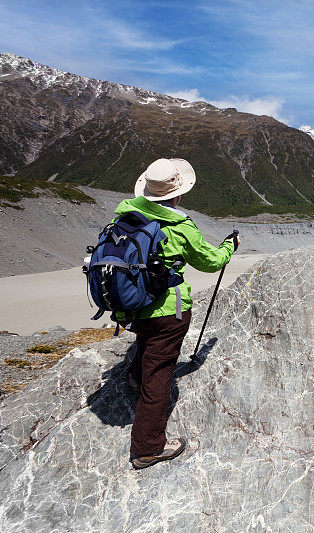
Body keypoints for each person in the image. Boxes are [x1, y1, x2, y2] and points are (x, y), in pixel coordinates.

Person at [114, 158, 241, 470]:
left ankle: (133, 376)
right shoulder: (180, 227)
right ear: (177, 194)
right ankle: (147, 447)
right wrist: (229, 247)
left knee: (146, 343)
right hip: (167, 310)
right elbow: (210, 262)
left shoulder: (127, 215)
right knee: (159, 375)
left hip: (131, 304)